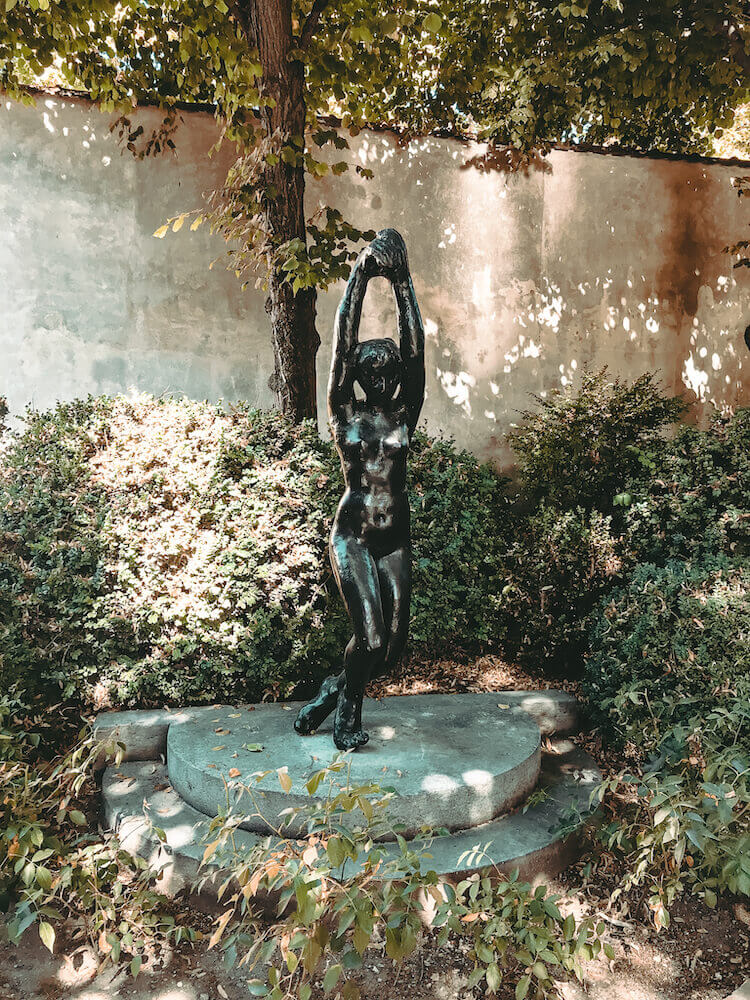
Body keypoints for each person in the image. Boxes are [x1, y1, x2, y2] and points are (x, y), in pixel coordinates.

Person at [294, 229, 425, 750]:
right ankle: (348, 712)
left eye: (387, 368)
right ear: (358, 373)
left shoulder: (401, 415)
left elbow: (417, 352)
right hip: (353, 536)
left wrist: (401, 280)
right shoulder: (343, 414)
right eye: (370, 368)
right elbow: (340, 344)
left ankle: (332, 690)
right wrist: (359, 274)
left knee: (392, 649)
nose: (380, 374)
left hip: (395, 539)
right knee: (368, 637)